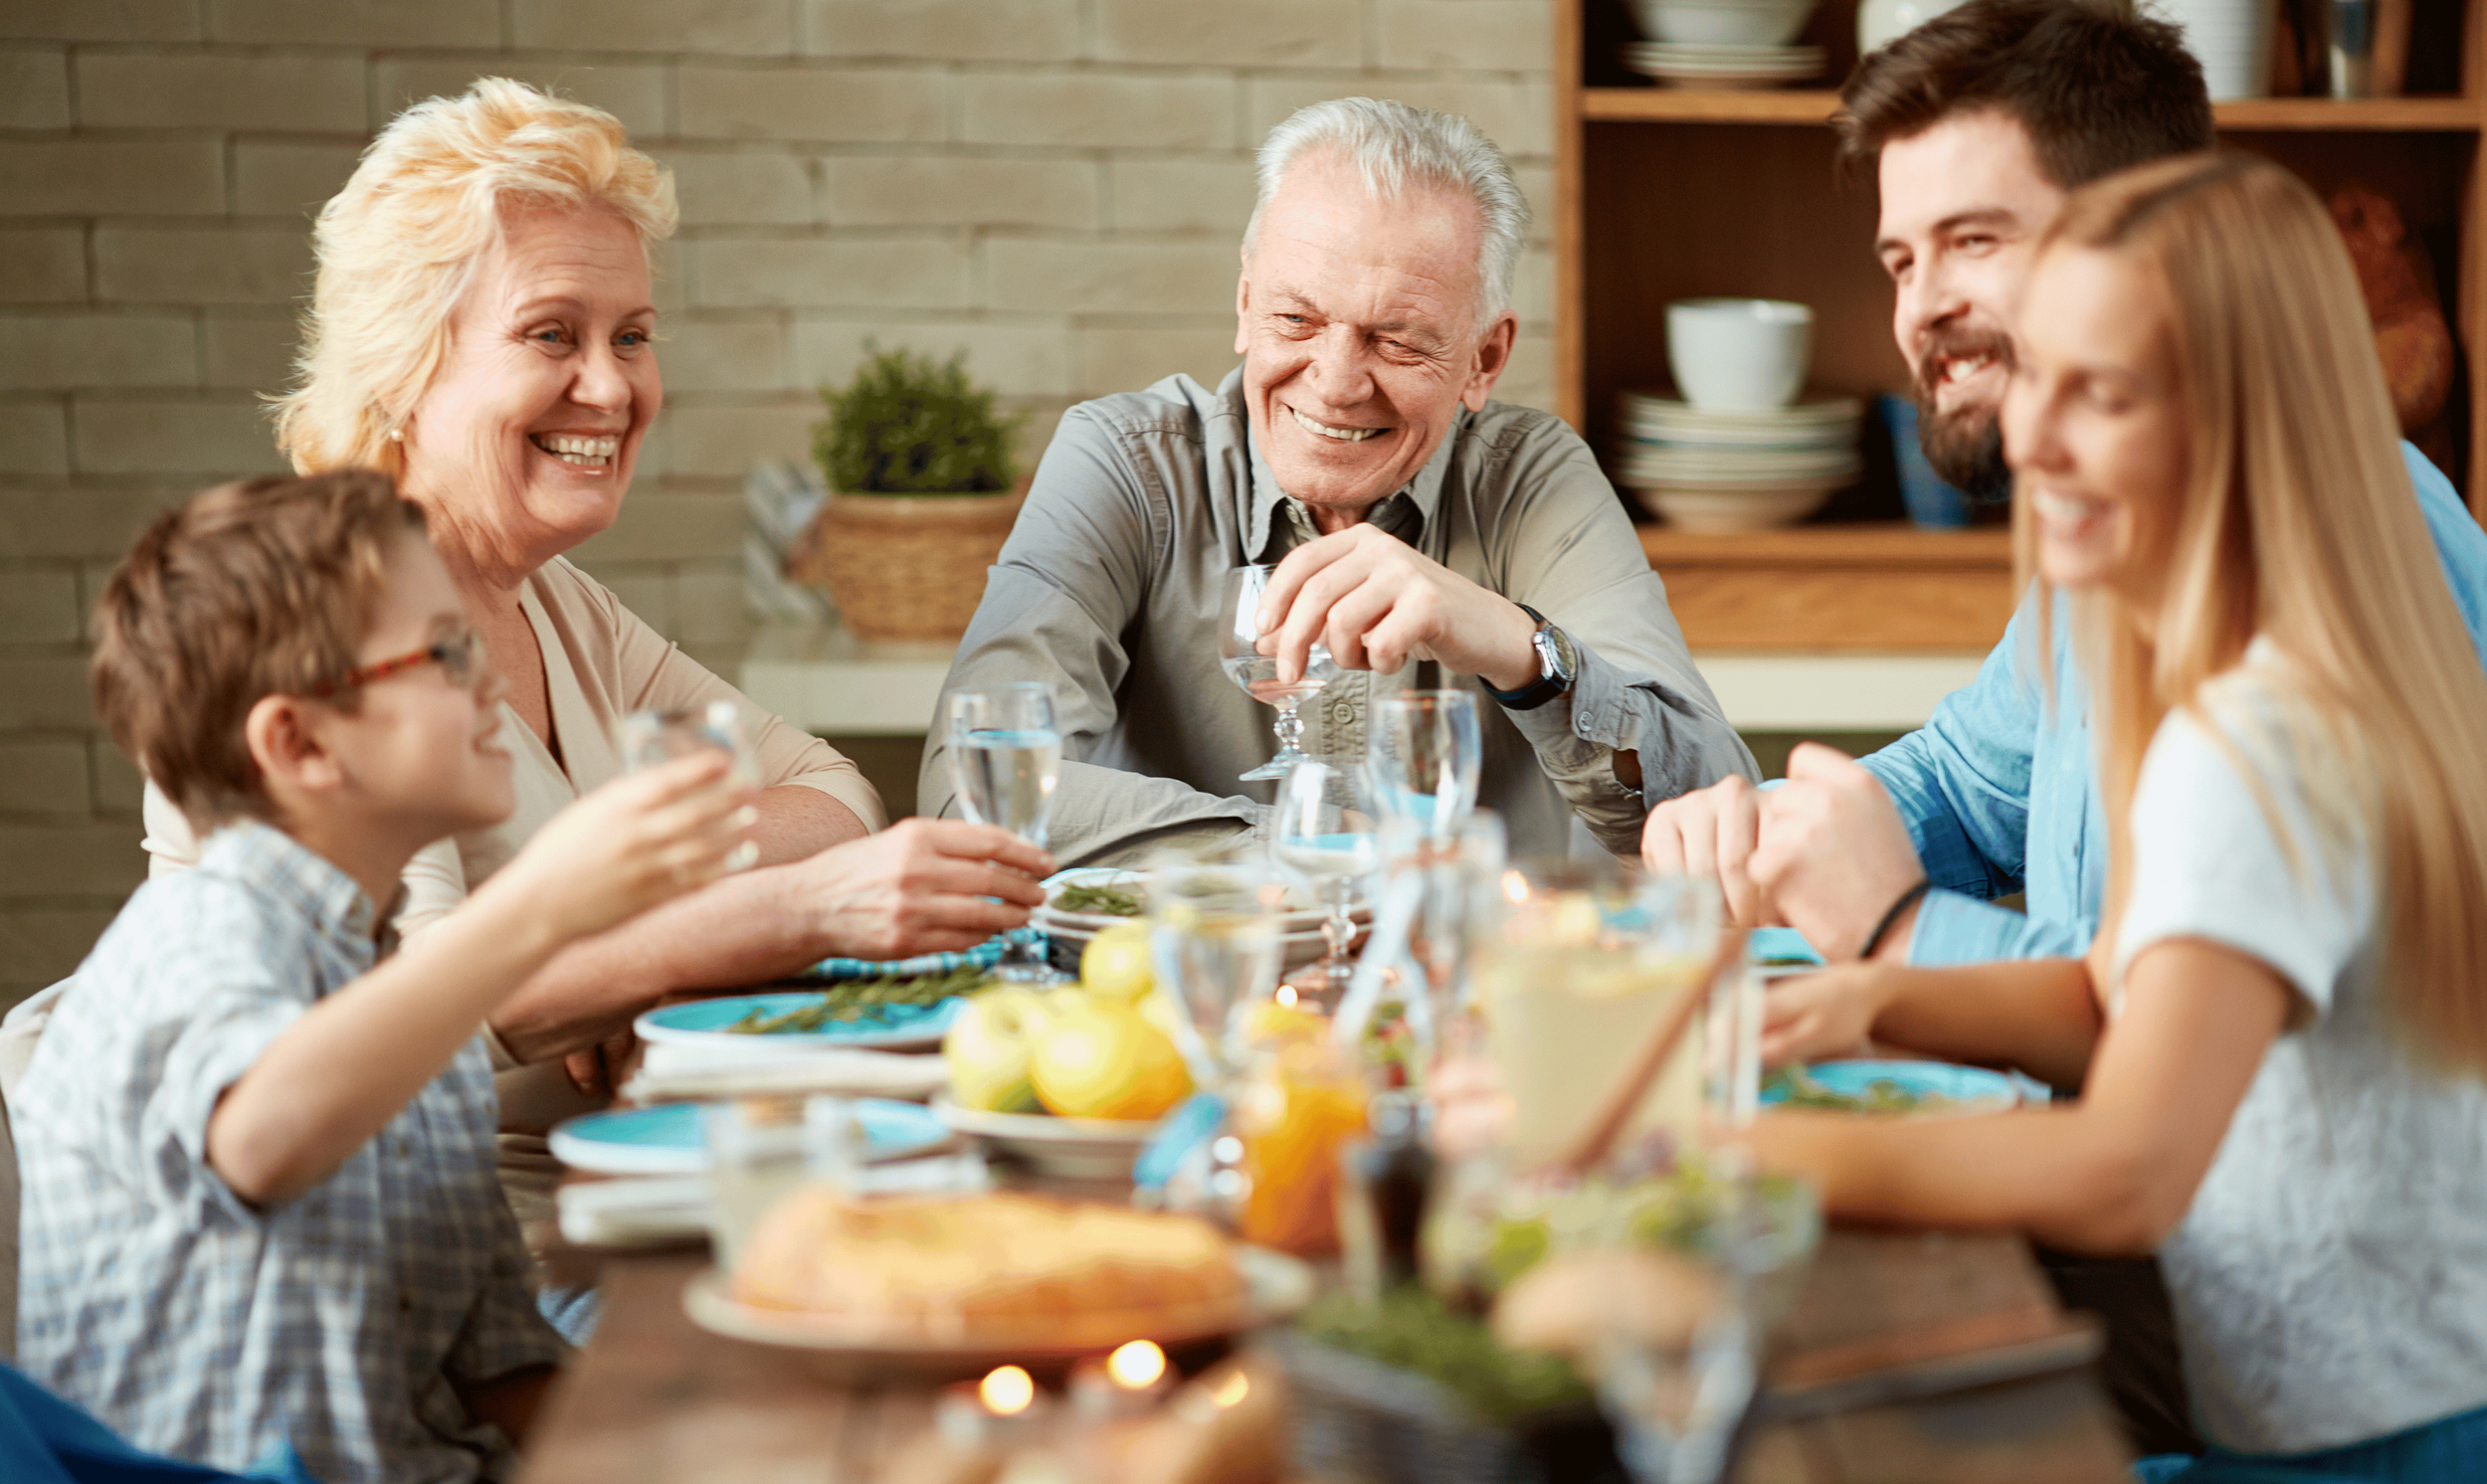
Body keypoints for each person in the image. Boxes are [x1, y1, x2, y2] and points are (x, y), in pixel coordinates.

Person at [0, 81, 1055, 1271]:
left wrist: (644, 929)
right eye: (552, 333)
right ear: (405, 364)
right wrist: (773, 911)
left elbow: (833, 787)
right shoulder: (321, 626)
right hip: (463, 1261)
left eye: (634, 336)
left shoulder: (547, 597)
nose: (610, 387)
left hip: (633, 1194)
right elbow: (441, 1015)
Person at [1751, 151, 2487, 1484]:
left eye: (2107, 392)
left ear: (2243, 421)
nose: (2031, 435)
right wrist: (1874, 996)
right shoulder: (2242, 668)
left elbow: (2126, 1174)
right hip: (2355, 1456)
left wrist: (1730, 1153)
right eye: (2039, 379)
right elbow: (2123, 994)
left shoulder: (2261, 737)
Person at [1641, 0, 2487, 964]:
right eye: (1900, 261)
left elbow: (2211, 1038)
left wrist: (1899, 934)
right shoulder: (2109, 519)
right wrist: (1768, 834)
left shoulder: (2341, 541)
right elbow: (1966, 787)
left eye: (1973, 241)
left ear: (2142, 235)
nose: (1919, 309)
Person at [14, 471, 752, 1484]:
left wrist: (712, 1469)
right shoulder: (197, 937)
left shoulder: (403, 984)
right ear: (301, 742)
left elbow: (505, 1375)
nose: (490, 680)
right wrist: (541, 902)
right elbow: (265, 1134)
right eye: (448, 654)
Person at [924, 97, 1754, 866]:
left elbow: (1714, 807)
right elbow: (974, 791)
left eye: (1396, 340)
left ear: (1484, 358)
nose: (1335, 382)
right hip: (1176, 989)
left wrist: (1521, 646)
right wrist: (1301, 850)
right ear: (1246, 303)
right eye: (1297, 320)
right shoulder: (1125, 462)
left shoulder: (1530, 479)